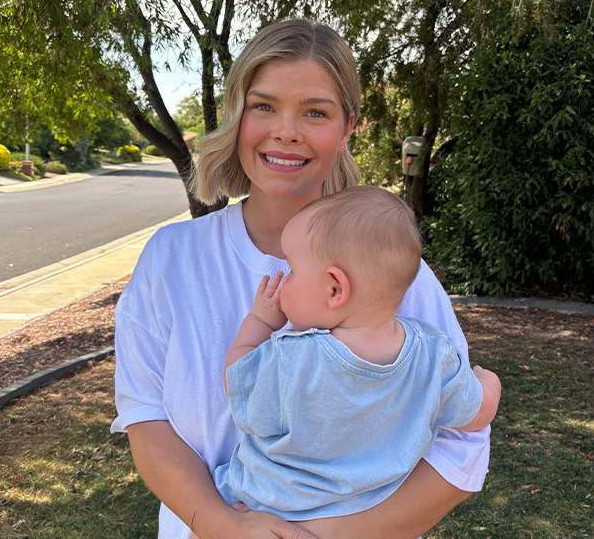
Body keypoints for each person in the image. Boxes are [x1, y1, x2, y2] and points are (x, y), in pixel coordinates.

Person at [112, 18, 494, 539]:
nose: (285, 130)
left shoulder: (396, 276)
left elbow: (460, 444)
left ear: (347, 128)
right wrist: (221, 525)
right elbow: (146, 417)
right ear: (237, 114)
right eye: (264, 105)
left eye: (315, 112)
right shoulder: (171, 259)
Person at [214, 186, 502, 521]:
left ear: (335, 288)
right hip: (366, 512)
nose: (285, 280)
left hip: (268, 506)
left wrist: (260, 321)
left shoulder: (292, 361)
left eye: (291, 269)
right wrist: (486, 379)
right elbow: (478, 413)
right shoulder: (433, 354)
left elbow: (237, 383)